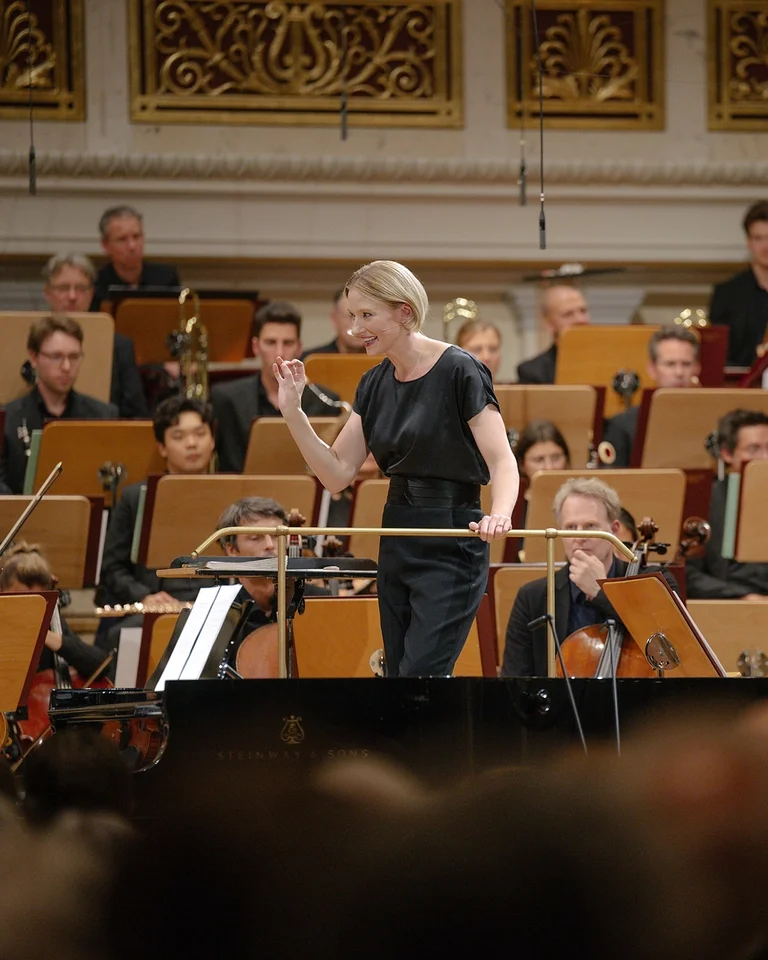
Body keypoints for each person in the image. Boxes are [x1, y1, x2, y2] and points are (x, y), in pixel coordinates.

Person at [274, 260, 518, 677]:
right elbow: (335, 474)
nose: (355, 329)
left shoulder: (460, 369)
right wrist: (293, 412)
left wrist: (501, 515)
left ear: (404, 312)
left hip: (452, 538)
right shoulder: (373, 383)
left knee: (420, 675)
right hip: (398, 536)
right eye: (352, 316)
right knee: (397, 674)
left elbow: (502, 461)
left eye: (367, 315)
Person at [502, 477, 677, 677]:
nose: (579, 536)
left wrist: (600, 593)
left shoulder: (654, 581)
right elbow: (515, 679)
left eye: (590, 526)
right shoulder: (534, 597)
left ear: (614, 530)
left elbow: (669, 645)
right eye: (570, 527)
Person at [97, 395, 215, 649]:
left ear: (212, 440)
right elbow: (112, 568)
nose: (192, 444)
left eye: (200, 433)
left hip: (216, 605)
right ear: (161, 447)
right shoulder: (134, 497)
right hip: (158, 606)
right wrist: (145, 596)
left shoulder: (233, 495)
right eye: (178, 436)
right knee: (123, 639)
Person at [211, 301, 342, 473]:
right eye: (271, 342)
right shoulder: (227, 399)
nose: (279, 352)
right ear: (256, 346)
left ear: (299, 348)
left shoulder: (326, 402)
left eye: (288, 343)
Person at [0, 315, 119, 494]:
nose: (66, 366)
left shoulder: (103, 415)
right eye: (56, 357)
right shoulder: (8, 419)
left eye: (74, 357)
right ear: (34, 357)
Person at [43, 253, 147, 418]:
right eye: (63, 288)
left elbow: (136, 415)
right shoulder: (30, 339)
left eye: (81, 288)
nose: (72, 296)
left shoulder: (119, 346)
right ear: (47, 293)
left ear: (91, 293)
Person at [686, 408, 768, 600]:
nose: (765, 458)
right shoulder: (704, 499)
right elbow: (688, 572)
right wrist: (743, 596)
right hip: (730, 601)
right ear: (727, 454)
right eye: (754, 449)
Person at [0, 542, 108, 679]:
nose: (26, 608)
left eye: (35, 601)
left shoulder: (51, 623)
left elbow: (101, 666)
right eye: (19, 599)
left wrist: (46, 636)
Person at [603, 326, 701, 467]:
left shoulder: (710, 420)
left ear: (697, 368)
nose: (679, 372)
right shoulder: (622, 426)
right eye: (670, 364)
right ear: (652, 369)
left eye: (686, 364)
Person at [710, 200, 768, 366]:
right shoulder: (726, 294)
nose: (766, 246)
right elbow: (719, 355)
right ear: (748, 242)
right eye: (758, 238)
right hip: (739, 386)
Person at [90, 205, 180, 309]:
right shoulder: (97, 285)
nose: (132, 246)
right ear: (105, 245)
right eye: (122, 239)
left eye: (136, 237)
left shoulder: (166, 278)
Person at [516, 284, 591, 384]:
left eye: (583, 311)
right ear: (549, 323)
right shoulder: (533, 372)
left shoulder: (607, 360)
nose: (580, 320)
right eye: (568, 314)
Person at [302, 288, 366, 355]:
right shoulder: (311, 361)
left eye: (366, 316)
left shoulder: (378, 360)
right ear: (334, 318)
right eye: (352, 317)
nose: (360, 325)